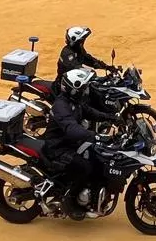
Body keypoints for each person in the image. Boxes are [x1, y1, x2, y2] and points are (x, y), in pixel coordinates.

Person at [42, 67, 119, 217]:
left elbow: (90, 112)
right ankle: (70, 202)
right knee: (84, 166)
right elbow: (72, 129)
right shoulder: (61, 106)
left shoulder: (74, 101)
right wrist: (95, 136)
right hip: (57, 148)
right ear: (73, 89)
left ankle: (93, 192)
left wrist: (110, 117)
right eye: (83, 88)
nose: (85, 91)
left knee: (98, 158)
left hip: (70, 144)